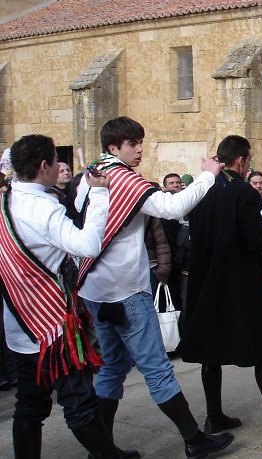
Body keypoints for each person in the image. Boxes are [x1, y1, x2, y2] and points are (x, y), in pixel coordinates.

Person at [75, 117, 233, 458]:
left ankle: (101, 450)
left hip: (95, 290)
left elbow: (78, 213)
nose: (140, 149)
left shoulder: (90, 175)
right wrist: (208, 174)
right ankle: (194, 439)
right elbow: (172, 207)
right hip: (126, 291)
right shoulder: (123, 178)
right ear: (114, 147)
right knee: (157, 369)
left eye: (140, 142)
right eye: (133, 144)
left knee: (113, 368)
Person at [0, 134, 131, 458]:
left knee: (30, 405)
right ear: (44, 165)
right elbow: (87, 245)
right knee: (79, 405)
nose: (61, 165)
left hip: (20, 324)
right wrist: (100, 194)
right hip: (52, 331)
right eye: (57, 160)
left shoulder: (7, 200)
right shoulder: (42, 208)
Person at [181, 135, 262, 435]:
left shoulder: (199, 190)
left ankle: (214, 416)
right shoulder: (243, 193)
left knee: (210, 351)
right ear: (240, 161)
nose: (249, 166)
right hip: (239, 281)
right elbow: (255, 238)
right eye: (248, 161)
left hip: (206, 279)